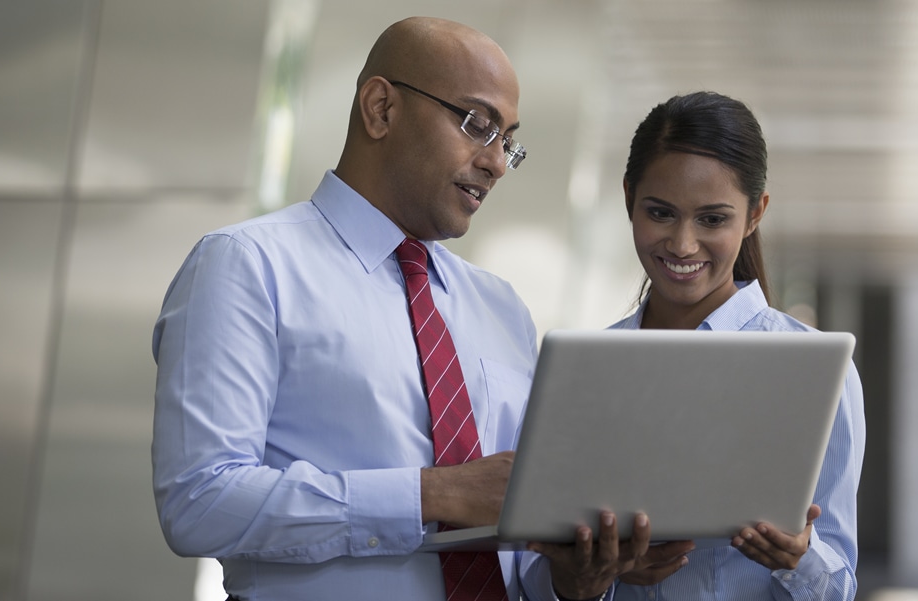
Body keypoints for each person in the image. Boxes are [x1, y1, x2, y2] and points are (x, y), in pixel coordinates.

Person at [152, 16, 667, 601]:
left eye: (508, 141)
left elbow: (521, 555)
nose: (497, 163)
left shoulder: (501, 309)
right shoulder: (247, 265)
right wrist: (433, 495)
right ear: (381, 109)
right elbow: (200, 501)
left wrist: (576, 578)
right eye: (478, 124)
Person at [607, 91, 866, 599]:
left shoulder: (812, 371)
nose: (682, 244)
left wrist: (801, 558)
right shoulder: (590, 367)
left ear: (754, 215)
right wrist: (595, 575)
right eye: (660, 213)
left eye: (712, 219)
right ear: (628, 200)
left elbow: (840, 587)